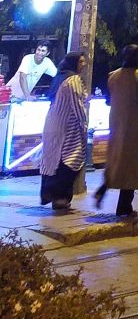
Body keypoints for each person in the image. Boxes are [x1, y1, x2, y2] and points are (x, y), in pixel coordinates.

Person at [94, 44, 138, 219]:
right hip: (132, 124)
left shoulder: (113, 76)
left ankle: (104, 187)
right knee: (131, 164)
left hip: (115, 122)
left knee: (115, 159)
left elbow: (108, 100)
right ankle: (124, 206)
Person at [39, 53, 87, 212]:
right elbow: (78, 106)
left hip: (53, 124)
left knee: (54, 161)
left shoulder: (60, 78)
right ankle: (60, 198)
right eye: (81, 61)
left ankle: (54, 197)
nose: (84, 64)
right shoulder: (73, 80)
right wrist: (84, 125)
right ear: (74, 63)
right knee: (70, 161)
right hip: (67, 128)